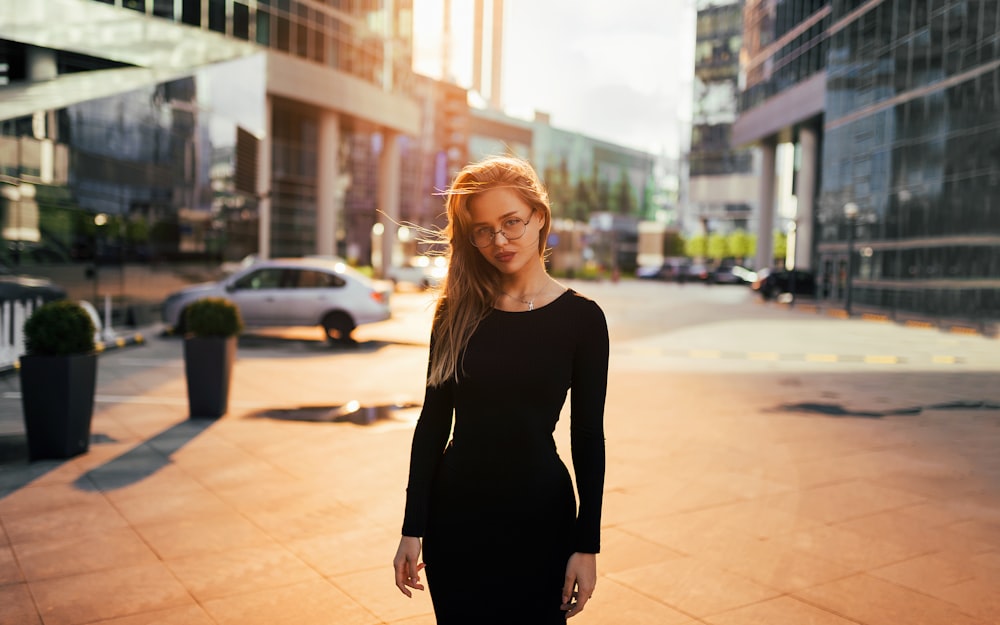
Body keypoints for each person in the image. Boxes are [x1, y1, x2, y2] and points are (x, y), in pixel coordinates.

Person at [392, 155, 609, 624]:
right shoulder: (457, 311)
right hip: (456, 522)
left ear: (540, 218)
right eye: (483, 230)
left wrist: (585, 545)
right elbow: (432, 424)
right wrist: (413, 527)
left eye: (512, 222)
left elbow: (588, 437)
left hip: (542, 521)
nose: (499, 240)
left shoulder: (582, 320)